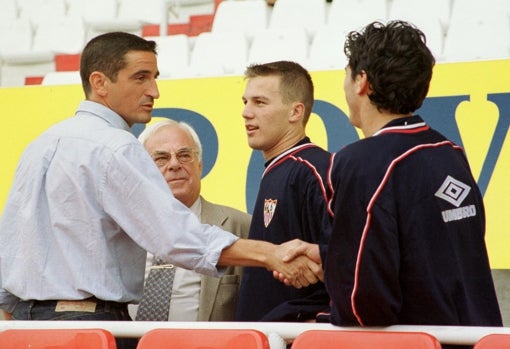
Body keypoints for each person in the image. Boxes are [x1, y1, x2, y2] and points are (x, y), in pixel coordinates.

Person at [0, 32, 322, 349]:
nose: (153, 90)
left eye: (154, 77)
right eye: (140, 78)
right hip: (89, 329)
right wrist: (271, 254)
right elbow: (175, 237)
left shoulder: (38, 146)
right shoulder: (117, 147)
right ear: (100, 83)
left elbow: (9, 245)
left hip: (26, 328)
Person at [322, 20, 503, 342]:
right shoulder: (450, 151)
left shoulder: (360, 162)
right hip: (477, 337)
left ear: (362, 81)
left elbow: (363, 303)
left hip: (418, 341)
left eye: (347, 73)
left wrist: (324, 313)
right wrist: (326, 254)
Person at [235, 61, 332, 322]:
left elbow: (347, 266)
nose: (246, 112)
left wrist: (313, 324)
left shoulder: (315, 171)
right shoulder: (279, 169)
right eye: (245, 101)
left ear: (295, 112)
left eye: (259, 102)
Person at [132, 119, 251, 321]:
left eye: (184, 155)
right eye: (161, 158)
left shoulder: (239, 226)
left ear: (200, 166)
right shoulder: (124, 229)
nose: (175, 164)